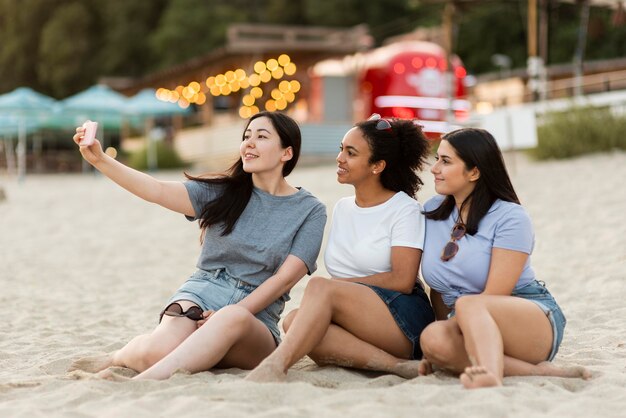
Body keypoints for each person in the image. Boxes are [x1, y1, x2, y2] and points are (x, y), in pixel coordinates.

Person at [68, 111, 326, 380]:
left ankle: (142, 382)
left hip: (254, 319)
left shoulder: (310, 210)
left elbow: (285, 279)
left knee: (231, 318)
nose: (249, 143)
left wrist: (232, 311)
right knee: (156, 351)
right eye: (246, 136)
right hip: (203, 291)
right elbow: (156, 190)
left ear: (286, 153)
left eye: (261, 137)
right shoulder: (224, 192)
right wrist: (101, 160)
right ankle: (117, 357)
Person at [246, 114, 435, 382]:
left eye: (351, 153)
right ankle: (396, 366)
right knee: (293, 321)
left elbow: (403, 281)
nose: (340, 158)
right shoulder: (344, 208)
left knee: (319, 288)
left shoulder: (405, 209)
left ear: (377, 166)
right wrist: (337, 292)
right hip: (359, 316)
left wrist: (339, 288)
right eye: (341, 149)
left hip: (403, 318)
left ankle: (275, 365)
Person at [418, 128, 590, 388]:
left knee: (469, 304)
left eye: (446, 161)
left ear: (474, 172)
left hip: (525, 317)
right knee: (432, 338)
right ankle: (539, 373)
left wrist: (455, 330)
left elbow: (496, 293)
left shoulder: (510, 217)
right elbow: (441, 290)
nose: (434, 168)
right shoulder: (432, 210)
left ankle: (490, 374)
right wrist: (443, 342)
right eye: (437, 158)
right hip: (469, 322)